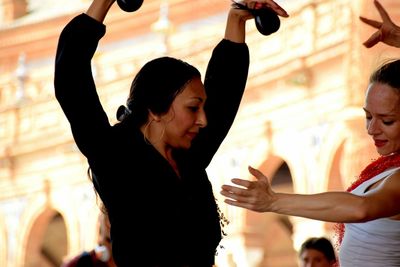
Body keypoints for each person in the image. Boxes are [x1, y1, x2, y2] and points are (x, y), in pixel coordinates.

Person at [54, 0, 289, 266]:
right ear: (155, 109)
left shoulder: (190, 157)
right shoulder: (115, 157)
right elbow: (71, 79)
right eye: (193, 108)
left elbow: (224, 92)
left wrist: (236, 19)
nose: (202, 120)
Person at [220, 1, 400, 266]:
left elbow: (361, 208)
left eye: (387, 120)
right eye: (368, 116)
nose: (372, 129)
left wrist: (273, 201)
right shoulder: (384, 170)